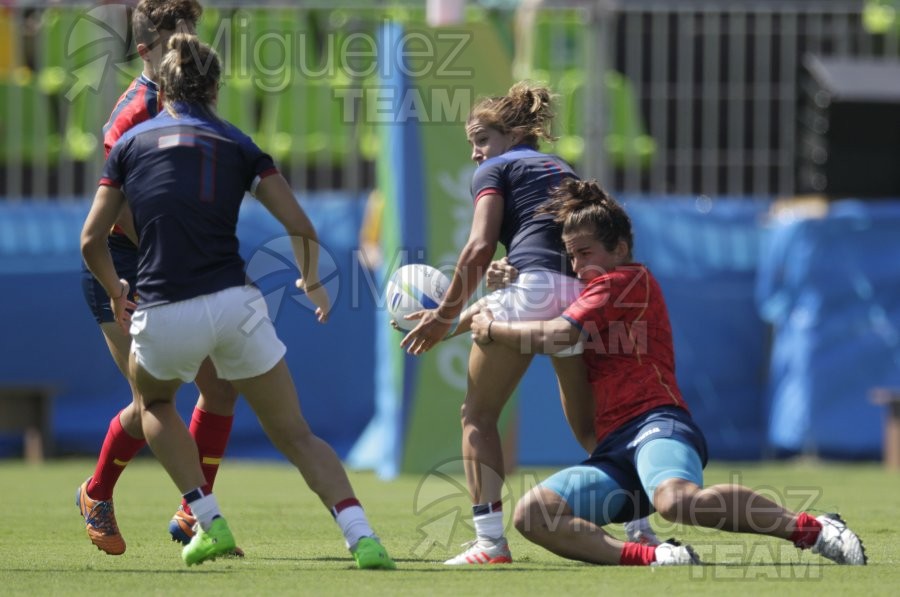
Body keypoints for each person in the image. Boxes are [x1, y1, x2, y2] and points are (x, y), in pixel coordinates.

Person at [80, 33, 395, 569]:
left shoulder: (130, 144)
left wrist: (116, 290)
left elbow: (91, 239)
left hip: (164, 305)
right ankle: (363, 537)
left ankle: (208, 520)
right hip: (236, 304)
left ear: (165, 89)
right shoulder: (239, 143)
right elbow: (300, 225)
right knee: (296, 433)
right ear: (216, 89)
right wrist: (312, 281)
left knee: (154, 404)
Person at [469, 178, 867, 566]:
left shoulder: (625, 281)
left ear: (620, 248)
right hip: (613, 451)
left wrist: (491, 327)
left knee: (676, 501)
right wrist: (512, 281)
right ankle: (656, 557)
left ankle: (813, 529)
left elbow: (558, 334)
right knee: (534, 515)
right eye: (571, 256)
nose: (577, 265)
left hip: (656, 424)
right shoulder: (585, 292)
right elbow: (552, 306)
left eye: (585, 253)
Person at [399, 81, 659, 565]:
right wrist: (456, 315)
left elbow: (479, 248)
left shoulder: (495, 169)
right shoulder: (562, 168)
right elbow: (553, 252)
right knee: (592, 429)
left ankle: (490, 543)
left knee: (477, 416)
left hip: (533, 290)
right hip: (578, 295)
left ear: (513, 134)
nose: (476, 154)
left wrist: (444, 313)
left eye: (481, 139)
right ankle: (641, 527)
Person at [75, 0, 243, 558]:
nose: (189, 43)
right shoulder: (133, 113)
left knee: (221, 386)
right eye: (176, 36)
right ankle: (96, 493)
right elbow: (118, 208)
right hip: (123, 266)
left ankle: (195, 515)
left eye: (193, 31)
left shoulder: (192, 101)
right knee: (154, 399)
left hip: (173, 261)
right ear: (146, 51)